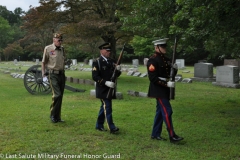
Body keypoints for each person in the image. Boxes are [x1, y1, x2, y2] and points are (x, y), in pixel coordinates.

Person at [147, 38, 184, 143]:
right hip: (159, 89)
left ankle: (155, 134)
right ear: (156, 47)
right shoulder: (153, 60)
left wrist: (175, 69)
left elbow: (169, 74)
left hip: (165, 89)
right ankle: (172, 136)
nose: (164, 48)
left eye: (165, 46)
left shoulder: (167, 59)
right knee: (167, 111)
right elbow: (153, 78)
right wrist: (166, 83)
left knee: (160, 112)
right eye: (162, 47)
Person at [92, 42, 121, 133]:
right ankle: (111, 127)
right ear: (102, 51)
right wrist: (106, 82)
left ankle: (99, 125)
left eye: (109, 50)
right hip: (102, 89)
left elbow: (116, 75)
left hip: (110, 89)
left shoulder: (112, 61)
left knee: (104, 107)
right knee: (108, 107)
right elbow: (95, 76)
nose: (109, 52)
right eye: (107, 50)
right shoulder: (97, 62)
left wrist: (118, 70)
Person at [41, 33, 66, 123]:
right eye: (58, 40)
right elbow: (43, 62)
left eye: (61, 40)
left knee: (61, 96)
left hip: (62, 74)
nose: (60, 42)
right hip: (53, 74)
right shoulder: (48, 49)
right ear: (54, 40)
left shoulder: (62, 49)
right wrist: (43, 74)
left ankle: (57, 117)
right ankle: (52, 115)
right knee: (57, 95)